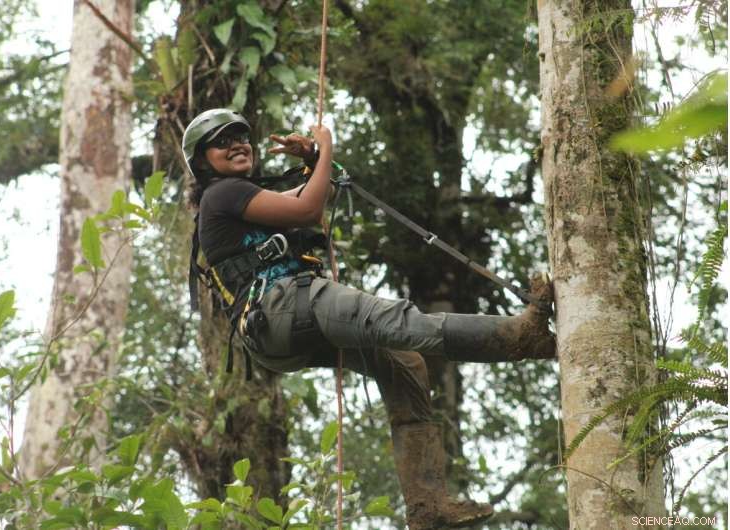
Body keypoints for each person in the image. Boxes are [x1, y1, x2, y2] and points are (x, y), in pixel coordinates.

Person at [183, 108, 556, 530]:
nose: (236, 144)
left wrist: (313, 159)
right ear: (202, 161)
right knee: (400, 321)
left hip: (276, 333)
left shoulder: (240, 200)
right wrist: (325, 146)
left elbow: (309, 202)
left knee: (402, 362)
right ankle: (520, 336)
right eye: (221, 141)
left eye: (240, 136)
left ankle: (427, 505)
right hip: (284, 304)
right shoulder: (222, 194)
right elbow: (308, 209)